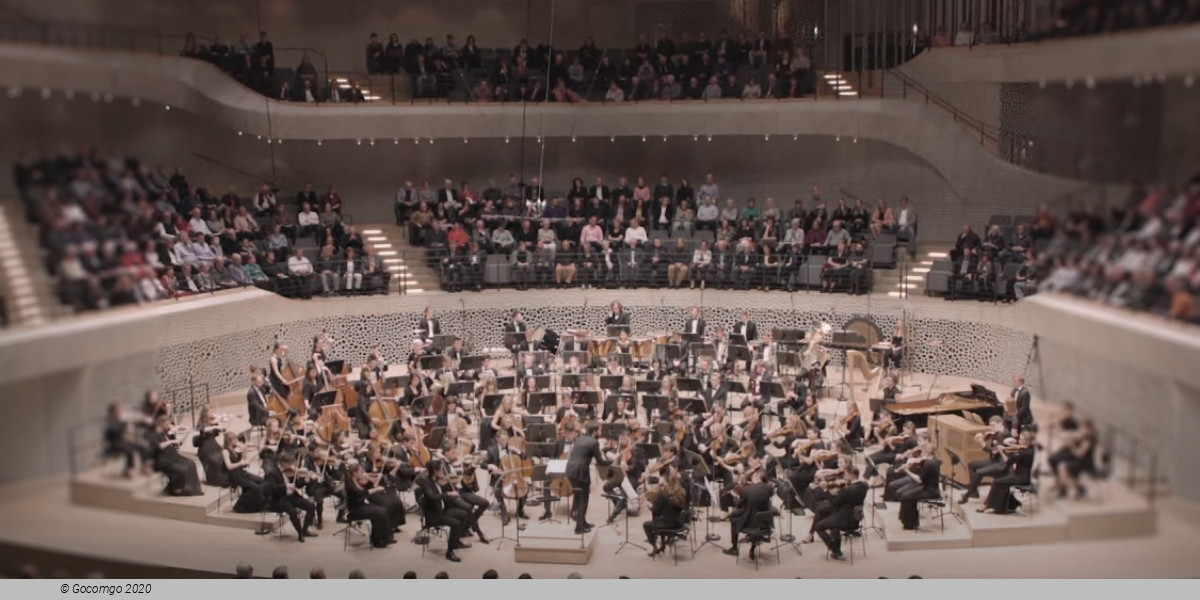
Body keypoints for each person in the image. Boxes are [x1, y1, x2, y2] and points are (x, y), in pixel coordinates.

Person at [416, 459, 471, 562]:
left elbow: (442, 493)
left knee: (464, 513)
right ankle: (450, 552)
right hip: (434, 516)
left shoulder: (437, 480)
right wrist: (448, 494)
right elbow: (432, 496)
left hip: (442, 510)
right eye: (441, 470)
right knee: (455, 523)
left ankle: (455, 541)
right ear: (435, 471)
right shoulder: (426, 482)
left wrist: (451, 486)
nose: (443, 472)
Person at [565, 421, 612, 534]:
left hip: (570, 470)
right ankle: (579, 527)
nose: (601, 432)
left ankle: (582, 522)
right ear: (594, 431)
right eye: (599, 430)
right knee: (583, 500)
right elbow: (600, 461)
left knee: (578, 496)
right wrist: (612, 461)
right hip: (581, 472)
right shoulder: (593, 442)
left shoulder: (579, 438)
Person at [815, 465, 868, 560]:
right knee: (827, 516)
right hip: (855, 518)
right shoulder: (864, 486)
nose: (844, 477)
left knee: (818, 526)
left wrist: (826, 490)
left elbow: (834, 502)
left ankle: (834, 548)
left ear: (852, 475)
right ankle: (836, 548)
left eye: (846, 474)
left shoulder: (847, 491)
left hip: (844, 519)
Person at [978, 431, 1036, 515]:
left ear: (1026, 441)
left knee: (997, 482)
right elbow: (1017, 451)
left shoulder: (1025, 454)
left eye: (1021, 439)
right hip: (1023, 476)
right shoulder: (1030, 450)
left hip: (1022, 478)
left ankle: (993, 506)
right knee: (1000, 481)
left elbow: (1008, 461)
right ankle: (1011, 504)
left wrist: (1001, 451)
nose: (1019, 441)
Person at [265, 453, 318, 542]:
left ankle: (305, 530)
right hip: (279, 499)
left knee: (311, 506)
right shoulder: (273, 473)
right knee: (293, 512)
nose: (292, 466)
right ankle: (300, 533)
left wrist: (306, 480)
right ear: (282, 463)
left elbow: (298, 485)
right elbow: (272, 488)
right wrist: (286, 486)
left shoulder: (292, 472)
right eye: (289, 464)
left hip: (292, 496)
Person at [722, 467, 773, 559]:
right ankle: (752, 548)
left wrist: (736, 496)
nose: (751, 478)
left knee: (734, 520)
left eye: (752, 476)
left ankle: (734, 548)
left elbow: (741, 506)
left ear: (757, 476)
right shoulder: (769, 488)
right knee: (754, 511)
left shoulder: (746, 490)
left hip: (751, 524)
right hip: (765, 523)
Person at [344, 463, 395, 548]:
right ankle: (380, 540)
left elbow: (363, 490)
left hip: (361, 505)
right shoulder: (350, 484)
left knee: (383, 510)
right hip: (356, 510)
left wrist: (370, 480)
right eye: (360, 472)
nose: (363, 473)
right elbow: (360, 493)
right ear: (354, 473)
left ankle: (382, 538)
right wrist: (376, 489)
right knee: (381, 512)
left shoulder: (355, 481)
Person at [642, 469, 688, 557]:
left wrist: (650, 506)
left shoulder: (664, 495)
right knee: (660, 519)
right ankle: (662, 545)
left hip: (667, 524)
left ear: (667, 482)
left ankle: (654, 547)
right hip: (678, 522)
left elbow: (656, 511)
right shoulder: (682, 491)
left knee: (646, 525)